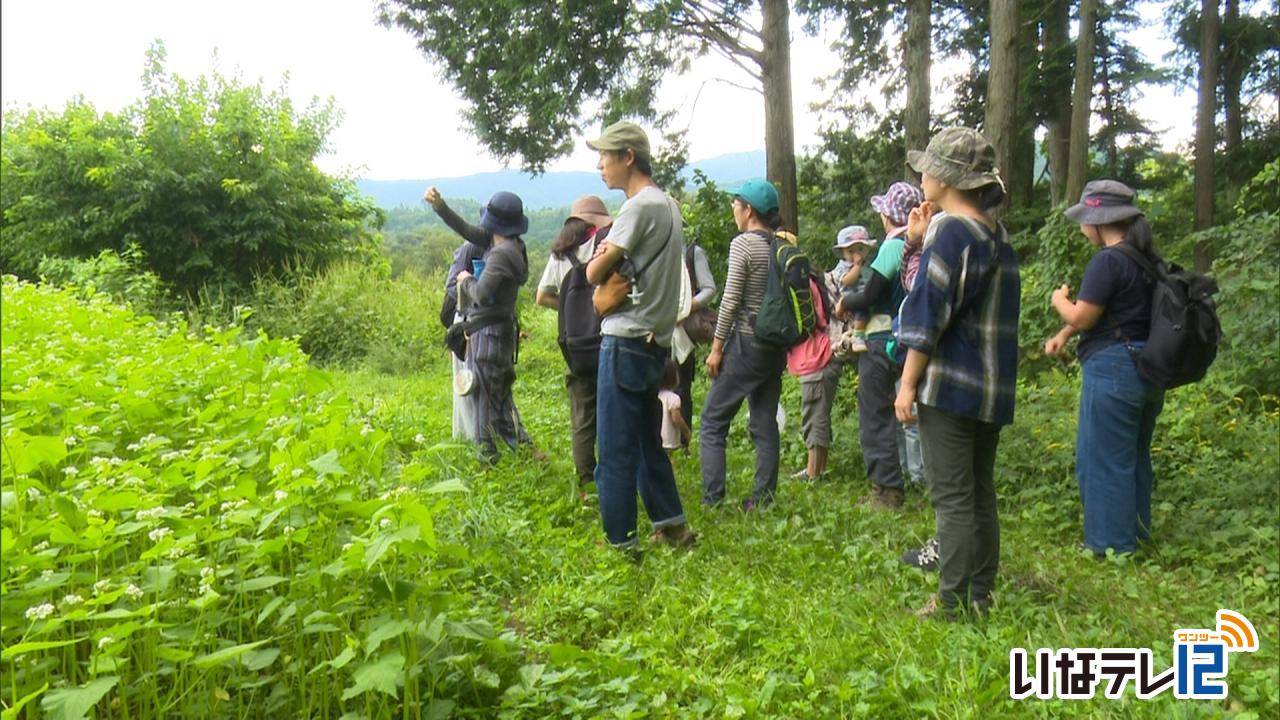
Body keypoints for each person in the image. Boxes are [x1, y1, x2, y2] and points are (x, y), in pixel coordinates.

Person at [894, 127, 1021, 620]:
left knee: (951, 497)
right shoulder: (996, 234)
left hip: (949, 386)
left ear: (944, 176)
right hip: (992, 388)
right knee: (979, 491)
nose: (921, 173)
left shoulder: (949, 230)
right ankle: (980, 593)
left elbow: (928, 312)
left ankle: (950, 601)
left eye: (927, 166)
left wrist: (907, 384)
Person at [583, 121, 695, 550]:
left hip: (625, 339)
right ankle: (672, 524)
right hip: (655, 341)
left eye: (605, 156)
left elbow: (593, 271)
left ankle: (619, 541)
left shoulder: (637, 208)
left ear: (629, 156)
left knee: (614, 449)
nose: (600, 165)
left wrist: (600, 262)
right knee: (649, 440)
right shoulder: (669, 205)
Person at [1045, 179, 1165, 557]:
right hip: (1147, 367)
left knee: (1102, 460)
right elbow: (1115, 312)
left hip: (1113, 368)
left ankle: (1109, 547)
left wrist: (1059, 302)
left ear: (1098, 219)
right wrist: (1064, 334)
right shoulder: (1146, 260)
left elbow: (1083, 316)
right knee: (1132, 456)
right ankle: (1137, 534)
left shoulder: (1107, 260)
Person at [427, 186, 537, 460]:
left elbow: (482, 294)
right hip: (501, 329)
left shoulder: (500, 254)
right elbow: (466, 230)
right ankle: (524, 448)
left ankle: (487, 458)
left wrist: (466, 280)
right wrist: (440, 206)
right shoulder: (512, 246)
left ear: (494, 221)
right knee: (500, 392)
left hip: (488, 332)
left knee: (481, 396)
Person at [700, 179, 788, 512]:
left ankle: (713, 500)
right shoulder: (780, 245)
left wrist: (717, 347)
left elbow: (731, 300)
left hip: (745, 345)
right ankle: (763, 500)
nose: (733, 210)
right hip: (774, 347)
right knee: (764, 423)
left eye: (735, 205)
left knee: (712, 421)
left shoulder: (744, 245)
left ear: (748, 210)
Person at [835, 207, 913, 511]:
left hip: (879, 342)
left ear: (888, 216)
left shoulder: (892, 247)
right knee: (890, 417)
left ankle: (886, 493)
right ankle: (895, 483)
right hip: (900, 340)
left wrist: (846, 304)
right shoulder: (915, 245)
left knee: (874, 417)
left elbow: (866, 296)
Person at [535, 196, 614, 491]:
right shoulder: (608, 248)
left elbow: (542, 297)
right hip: (607, 338)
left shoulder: (560, 255)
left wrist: (571, 310)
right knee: (612, 409)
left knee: (582, 416)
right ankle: (613, 475)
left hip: (577, 346)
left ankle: (585, 482)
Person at [673, 239, 717, 444]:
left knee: (681, 387)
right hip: (655, 330)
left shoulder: (692, 253)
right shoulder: (651, 248)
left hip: (682, 333)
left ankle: (683, 442)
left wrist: (686, 308)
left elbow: (709, 288)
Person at [828, 226, 877, 358]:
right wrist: (856, 266)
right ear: (842, 253)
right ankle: (858, 338)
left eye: (861, 249)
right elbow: (846, 281)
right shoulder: (843, 266)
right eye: (851, 251)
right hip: (852, 297)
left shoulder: (869, 264)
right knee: (861, 313)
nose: (857, 254)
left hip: (868, 296)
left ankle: (857, 334)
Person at [659, 359, 692, 456]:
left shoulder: (655, 395)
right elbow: (676, 418)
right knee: (671, 464)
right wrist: (686, 431)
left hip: (656, 439)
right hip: (670, 441)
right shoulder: (673, 398)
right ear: (673, 378)